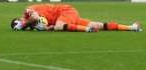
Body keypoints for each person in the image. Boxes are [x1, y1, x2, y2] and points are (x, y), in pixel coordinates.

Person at [11, 4, 142, 32]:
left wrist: (23, 25)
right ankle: (132, 27)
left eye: (20, 22)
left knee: (58, 27)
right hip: (65, 17)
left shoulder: (27, 11)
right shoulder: (32, 25)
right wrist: (46, 28)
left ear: (20, 18)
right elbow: (49, 25)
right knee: (100, 25)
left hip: (65, 11)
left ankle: (86, 30)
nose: (24, 24)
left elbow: (34, 17)